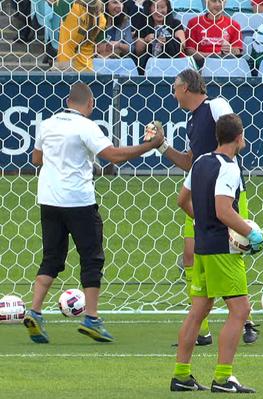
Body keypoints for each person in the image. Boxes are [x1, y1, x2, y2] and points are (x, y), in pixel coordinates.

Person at [23, 82, 165, 345]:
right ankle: (91, 318)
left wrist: (73, 160)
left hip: (48, 199)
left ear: (67, 101)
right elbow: (115, 156)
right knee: (92, 258)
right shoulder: (87, 126)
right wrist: (153, 144)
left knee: (52, 258)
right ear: (90, 104)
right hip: (78, 201)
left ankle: (35, 312)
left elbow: (36, 159)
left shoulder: (48, 124)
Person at [156, 69, 261, 345]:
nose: (173, 92)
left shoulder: (215, 106)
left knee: (233, 248)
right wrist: (162, 145)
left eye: (175, 87)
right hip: (201, 195)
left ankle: (245, 319)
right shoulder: (191, 121)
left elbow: (235, 134)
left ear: (187, 88)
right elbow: (191, 162)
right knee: (191, 255)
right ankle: (201, 329)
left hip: (227, 193)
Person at [171, 113, 263, 393]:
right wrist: (252, 234)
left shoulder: (200, 161)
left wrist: (201, 222)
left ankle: (182, 376)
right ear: (239, 138)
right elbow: (224, 210)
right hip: (222, 251)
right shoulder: (230, 168)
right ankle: (223, 379)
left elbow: (181, 200)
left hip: (201, 247)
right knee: (240, 310)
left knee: (198, 310)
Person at [185, 0, 243, 69]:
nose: (218, 5)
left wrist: (231, 50)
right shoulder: (194, 23)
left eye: (221, 1)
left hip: (226, 64)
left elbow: (237, 51)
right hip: (201, 64)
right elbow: (189, 51)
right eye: (214, 1)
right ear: (206, 2)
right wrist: (213, 56)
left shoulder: (234, 25)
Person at [133, 0, 185, 74]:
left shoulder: (175, 23)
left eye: (163, 7)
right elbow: (138, 51)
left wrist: (166, 40)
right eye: (156, 7)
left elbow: (182, 45)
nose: (159, 11)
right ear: (150, 9)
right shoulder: (144, 24)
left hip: (172, 66)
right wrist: (146, 40)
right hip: (149, 67)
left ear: (168, 8)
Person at [57, 0, 106, 71]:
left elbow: (51, 3)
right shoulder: (102, 19)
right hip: (87, 67)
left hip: (67, 65)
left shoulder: (71, 7)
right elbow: (102, 48)